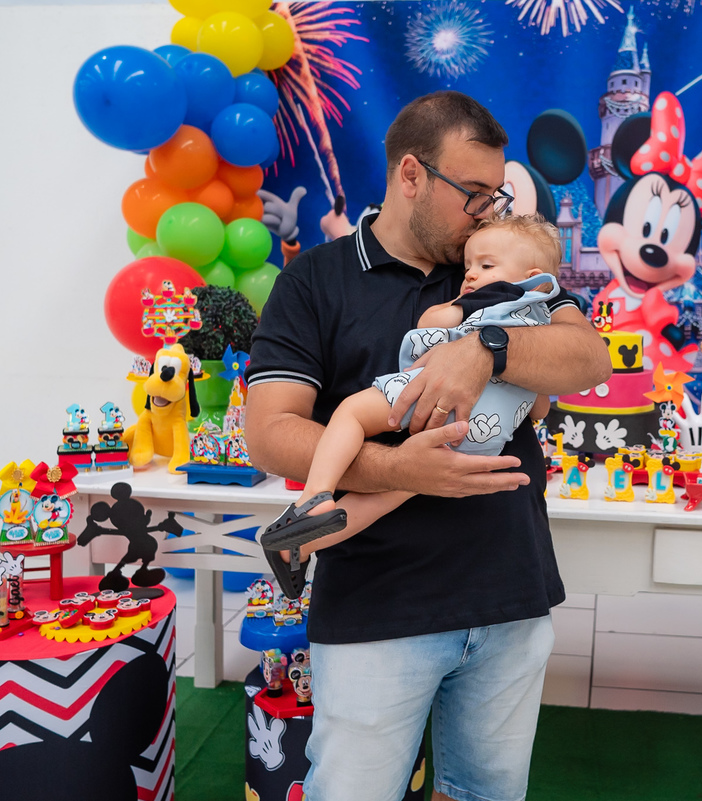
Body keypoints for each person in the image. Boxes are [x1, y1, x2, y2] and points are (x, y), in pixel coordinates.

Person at [243, 91, 611, 801]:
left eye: (494, 193)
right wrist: (394, 468)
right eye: (471, 191)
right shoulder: (315, 279)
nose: (486, 210)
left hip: (509, 592)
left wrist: (488, 349)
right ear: (410, 175)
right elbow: (270, 430)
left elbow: (589, 359)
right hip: (377, 604)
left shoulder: (499, 265)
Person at [258, 214, 565, 596]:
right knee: (396, 492)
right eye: (469, 266)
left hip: (429, 400)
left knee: (352, 413)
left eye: (485, 266)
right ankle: (299, 546)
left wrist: (455, 306)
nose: (470, 275)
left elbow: (430, 322)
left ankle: (315, 496)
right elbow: (538, 408)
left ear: (528, 275)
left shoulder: (493, 298)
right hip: (481, 437)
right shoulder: (544, 322)